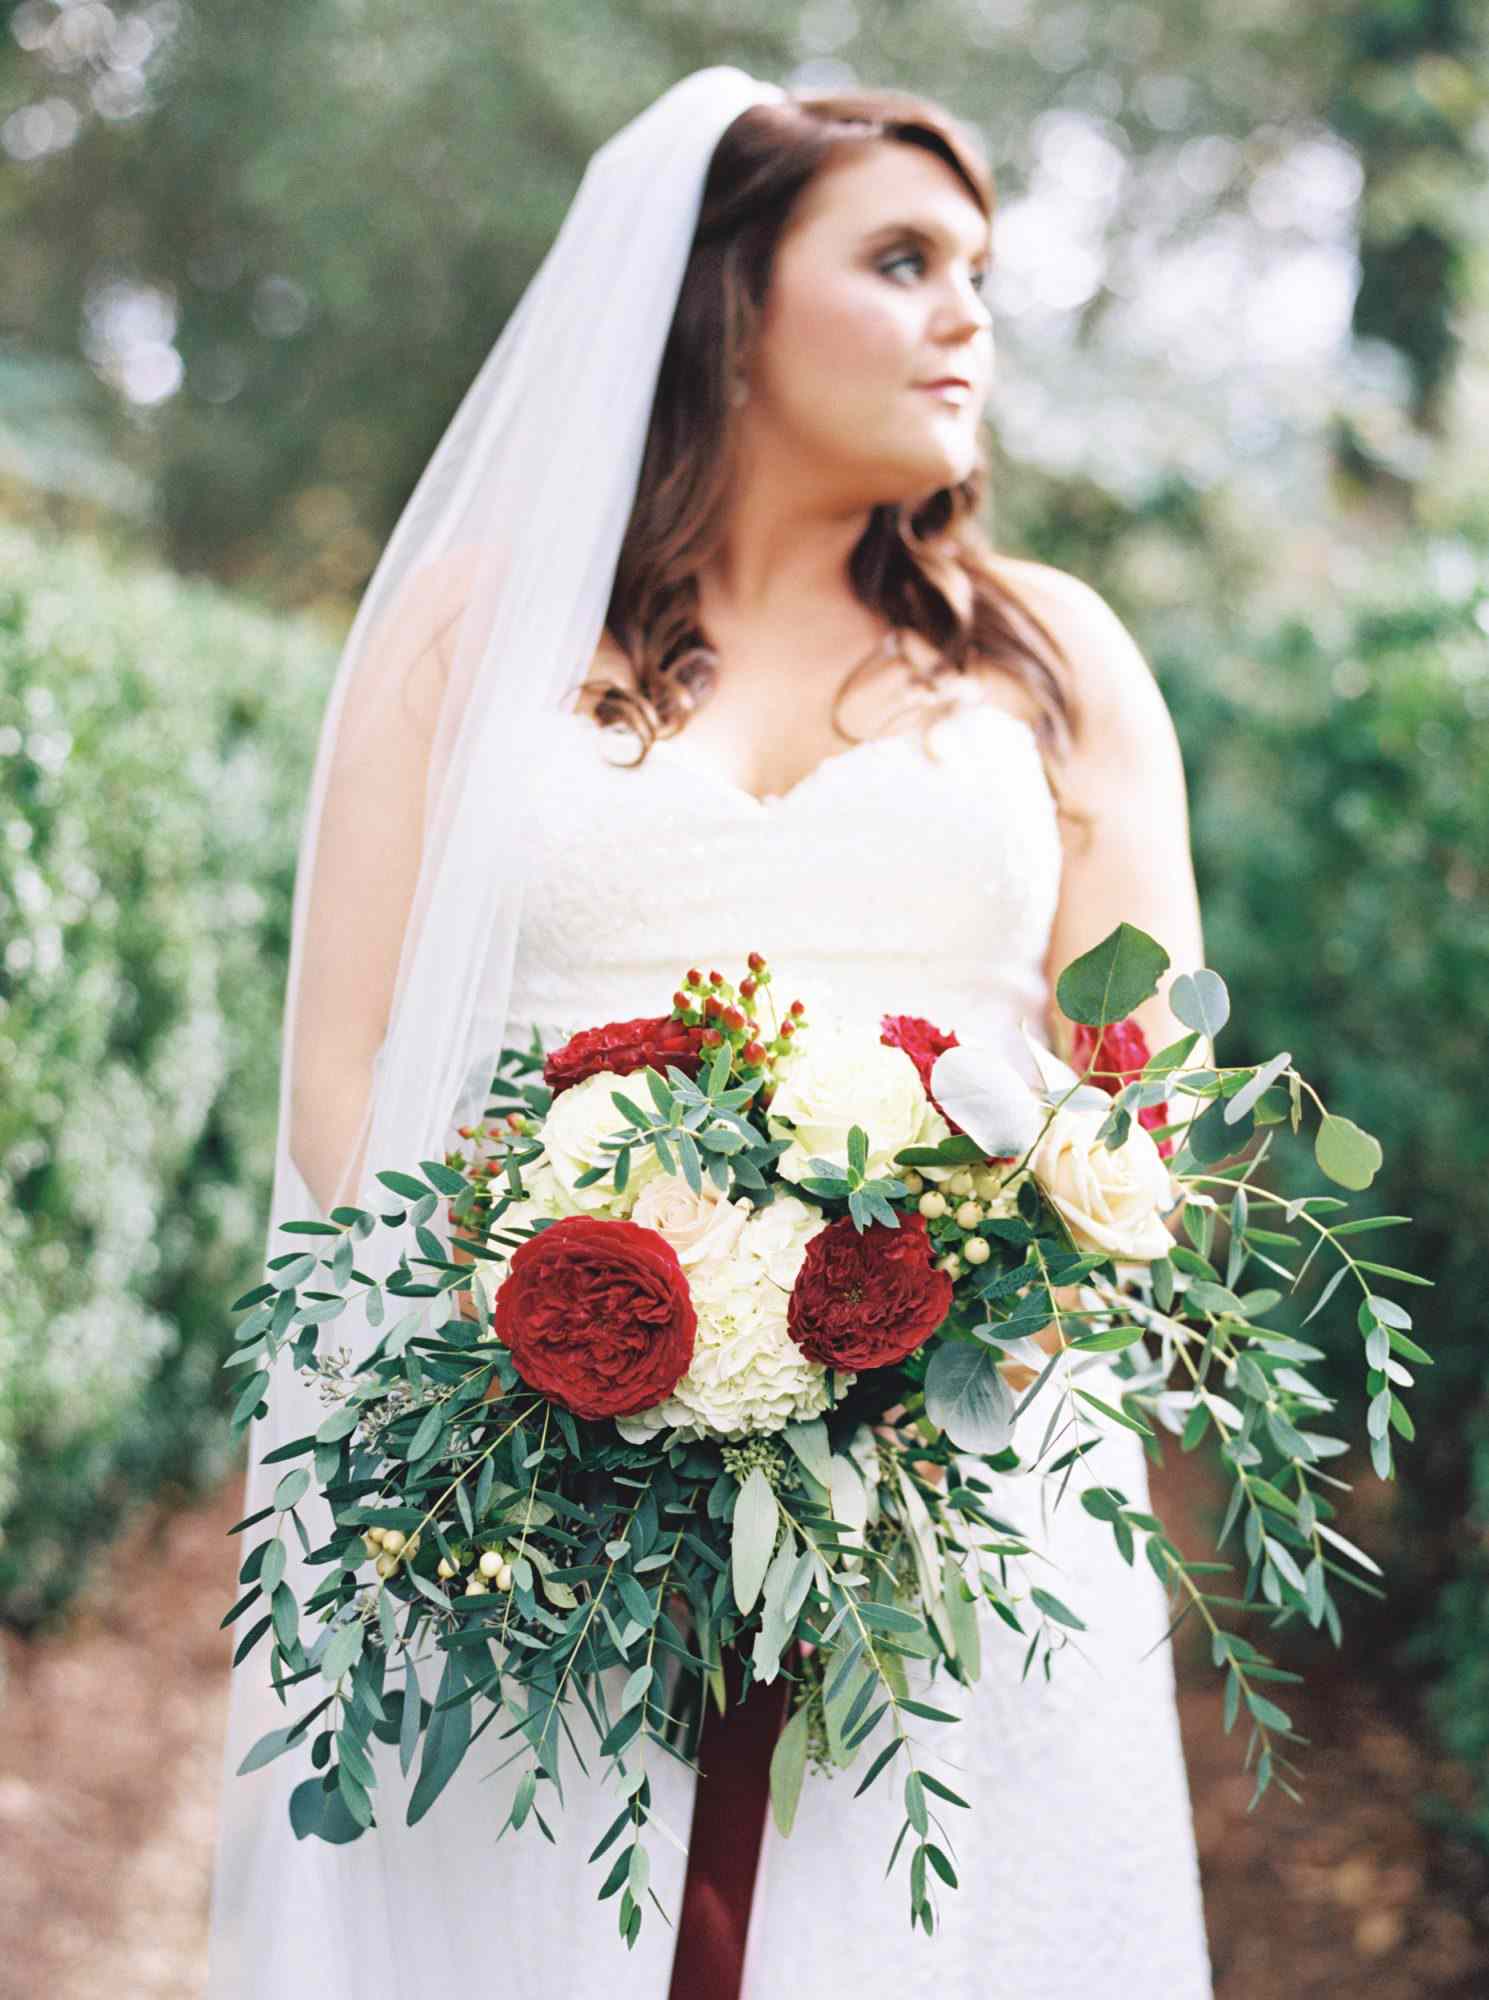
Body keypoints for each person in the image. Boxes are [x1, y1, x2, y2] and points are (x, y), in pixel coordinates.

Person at [207, 67, 1214, 1998]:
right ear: (727, 304)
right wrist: (552, 1353)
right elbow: (345, 1071)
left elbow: (1138, 1096)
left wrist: (917, 1362)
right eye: (900, 260)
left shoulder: (1051, 655)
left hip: (957, 1507)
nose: (965, 316)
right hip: (527, 1485)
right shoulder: (469, 634)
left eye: (980, 273)